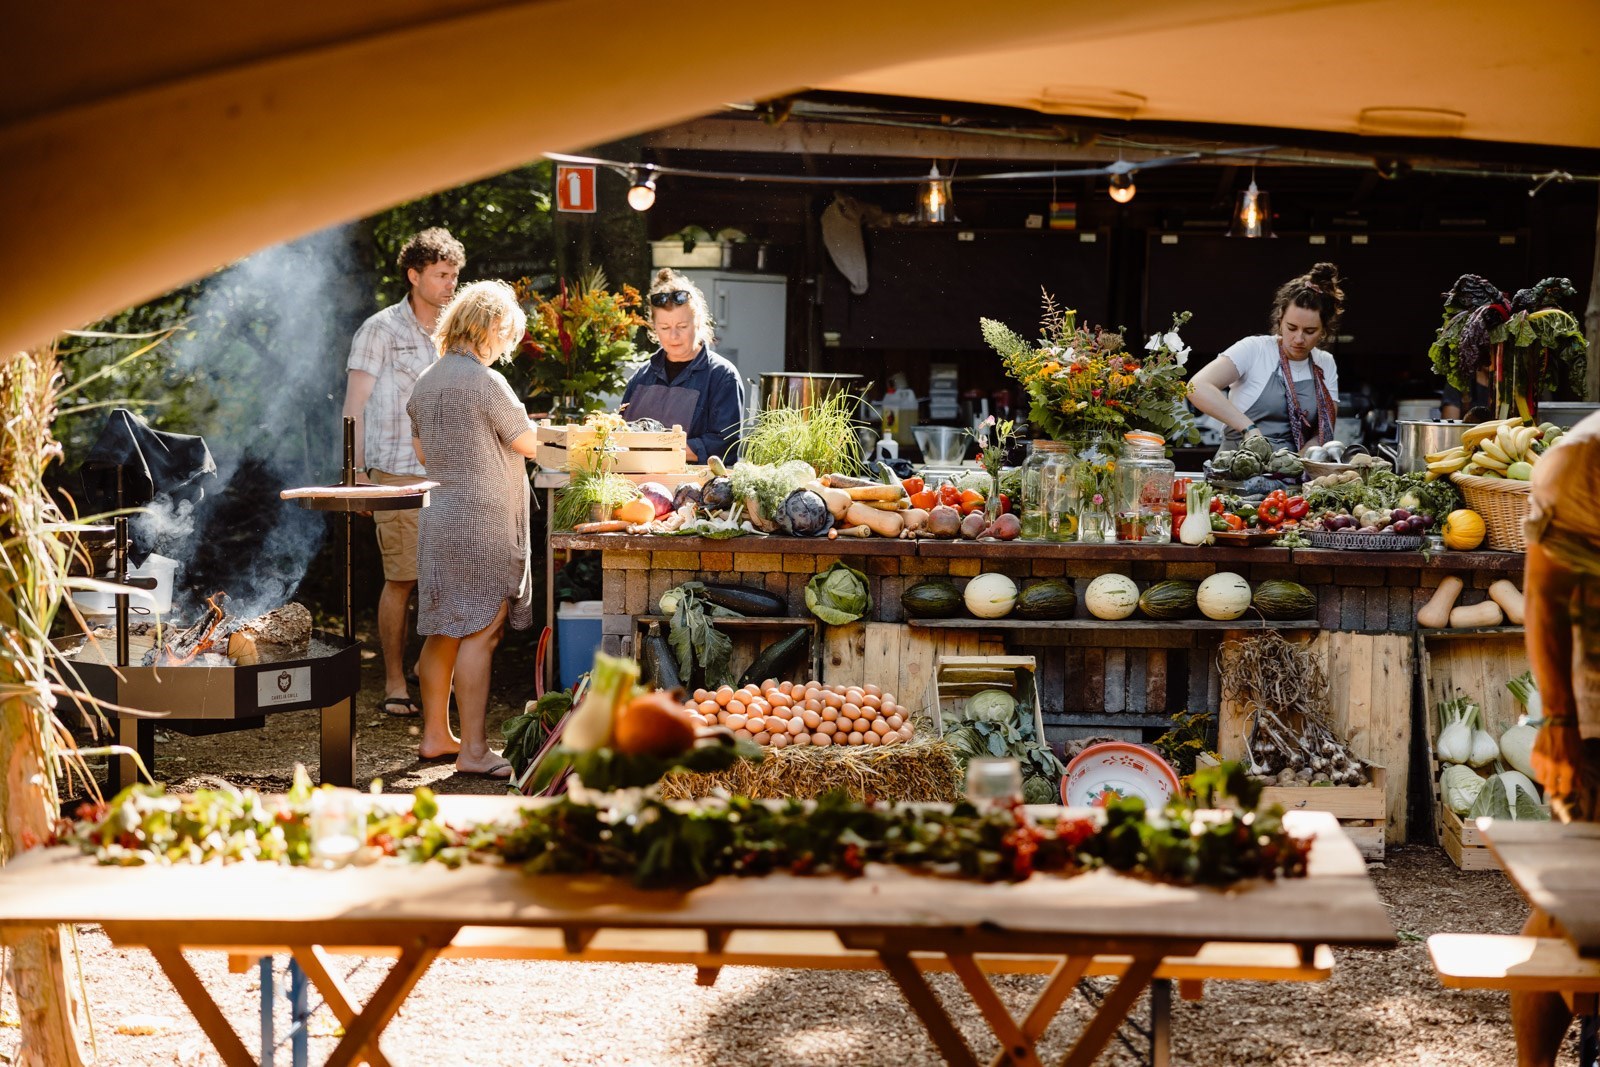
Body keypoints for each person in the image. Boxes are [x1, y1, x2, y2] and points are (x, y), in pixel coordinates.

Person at [406, 280, 537, 776]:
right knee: (481, 632)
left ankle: (437, 736)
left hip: (438, 518)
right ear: (489, 328)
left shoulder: (426, 380)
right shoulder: (485, 381)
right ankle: (475, 751)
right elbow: (527, 443)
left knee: (442, 630)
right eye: (506, 336)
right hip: (480, 524)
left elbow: (422, 452)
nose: (506, 348)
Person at [342, 227, 465, 717]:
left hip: (450, 474)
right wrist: (355, 473)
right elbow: (354, 406)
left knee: (448, 578)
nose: (450, 285)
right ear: (414, 276)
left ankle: (429, 670)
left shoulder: (455, 332)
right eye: (440, 275)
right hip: (394, 473)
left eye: (454, 275)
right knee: (403, 579)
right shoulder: (380, 330)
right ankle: (395, 679)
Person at [1511, 409, 1600, 1067]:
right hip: (1597, 714)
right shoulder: (1584, 457)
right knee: (1579, 907)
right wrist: (1561, 724)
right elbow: (1544, 590)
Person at [1188, 262, 1344, 456]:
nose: (1298, 338)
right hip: (1238, 469)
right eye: (1292, 327)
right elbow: (1197, 387)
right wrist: (1248, 429)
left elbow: (1323, 431)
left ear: (1324, 331)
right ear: (1280, 319)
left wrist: (1297, 463)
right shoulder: (1254, 350)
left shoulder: (1325, 363)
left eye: (1310, 331)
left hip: (1292, 473)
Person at [618, 268, 744, 463]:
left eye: (682, 327)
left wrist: (661, 450)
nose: (673, 336)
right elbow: (621, 433)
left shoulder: (722, 376)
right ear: (654, 328)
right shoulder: (642, 376)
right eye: (665, 328)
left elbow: (724, 446)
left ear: (699, 322)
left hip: (693, 488)